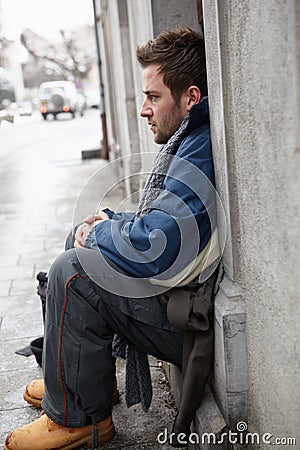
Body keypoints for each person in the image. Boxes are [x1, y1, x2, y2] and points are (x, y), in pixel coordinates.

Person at [4, 26, 220, 450]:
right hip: (170, 294)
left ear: (191, 98)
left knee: (74, 271)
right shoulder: (187, 140)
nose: (143, 109)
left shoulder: (198, 149)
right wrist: (110, 220)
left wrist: (104, 232)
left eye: (153, 97)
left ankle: (79, 418)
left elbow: (154, 248)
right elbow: (159, 223)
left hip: (185, 320)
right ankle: (74, 382)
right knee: (78, 236)